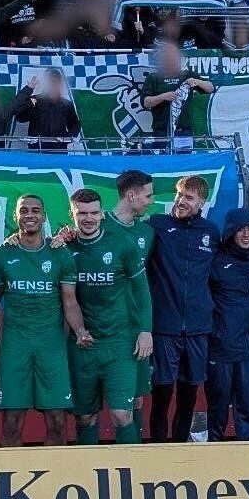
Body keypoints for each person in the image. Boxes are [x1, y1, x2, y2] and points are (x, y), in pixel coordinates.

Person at [0, 195, 89, 447]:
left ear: (44, 216)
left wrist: (80, 330)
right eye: (24, 210)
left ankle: (55, 479)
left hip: (51, 348)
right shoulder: (3, 253)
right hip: (15, 347)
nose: (30, 215)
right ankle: (11, 484)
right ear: (15, 216)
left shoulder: (59, 254)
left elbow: (70, 302)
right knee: (11, 422)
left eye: (36, 210)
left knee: (57, 421)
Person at [65, 188, 152, 445]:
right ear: (73, 214)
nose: (88, 218)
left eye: (93, 213)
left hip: (119, 343)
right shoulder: (64, 248)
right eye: (82, 213)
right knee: (84, 418)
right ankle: (87, 477)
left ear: (102, 214)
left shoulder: (122, 244)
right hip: (83, 346)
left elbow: (142, 290)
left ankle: (132, 473)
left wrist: (145, 330)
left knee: (121, 414)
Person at [146, 175, 220, 442]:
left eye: (189, 198)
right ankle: (158, 448)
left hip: (199, 328)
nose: (181, 201)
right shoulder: (156, 225)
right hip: (165, 326)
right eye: (179, 195)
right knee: (162, 393)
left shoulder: (210, 232)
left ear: (202, 202)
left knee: (188, 394)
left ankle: (179, 448)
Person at [206, 208, 249, 441]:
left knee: (247, 403)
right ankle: (214, 448)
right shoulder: (217, 260)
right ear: (231, 232)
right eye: (241, 229)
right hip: (220, 347)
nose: (246, 234)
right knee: (218, 404)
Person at [105, 169, 157, 433]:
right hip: (102, 331)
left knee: (137, 399)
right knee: (97, 409)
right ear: (131, 194)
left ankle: (137, 462)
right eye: (147, 195)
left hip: (135, 327)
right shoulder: (97, 224)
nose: (151, 200)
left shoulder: (147, 233)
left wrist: (145, 328)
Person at [139, 38, 214, 151]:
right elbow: (145, 102)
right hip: (161, 131)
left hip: (183, 131)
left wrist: (197, 82)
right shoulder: (153, 78)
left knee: (184, 162)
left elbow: (210, 88)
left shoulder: (187, 74)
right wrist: (163, 97)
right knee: (162, 163)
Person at [10, 67, 82, 151]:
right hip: (37, 149)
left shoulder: (67, 104)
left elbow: (75, 125)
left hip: (59, 149)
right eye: (50, 81)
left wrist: (65, 139)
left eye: (56, 81)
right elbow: (21, 118)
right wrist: (28, 103)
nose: (53, 84)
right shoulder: (34, 100)